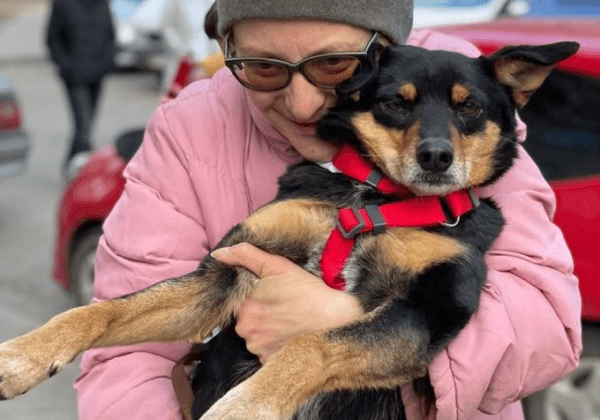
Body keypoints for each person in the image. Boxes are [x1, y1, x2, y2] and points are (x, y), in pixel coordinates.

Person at [73, 0, 582, 419]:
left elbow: (549, 326)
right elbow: (127, 356)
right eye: (265, 67)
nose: (301, 104)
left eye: (334, 64)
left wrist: (343, 323)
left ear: (384, 52)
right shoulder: (189, 130)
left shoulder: (466, 128)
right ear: (231, 53)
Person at [46, 0, 116, 178]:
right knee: (83, 128)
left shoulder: (102, 4)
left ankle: (70, 164)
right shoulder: (63, 4)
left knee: (86, 126)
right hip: (75, 78)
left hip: (97, 74)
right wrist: (66, 66)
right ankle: (85, 174)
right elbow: (52, 38)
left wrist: (107, 62)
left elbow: (110, 34)